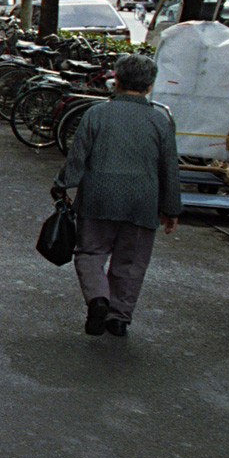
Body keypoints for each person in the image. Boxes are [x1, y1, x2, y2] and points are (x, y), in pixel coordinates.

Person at [52, 53, 181, 337]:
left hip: (99, 196)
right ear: (149, 86)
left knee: (90, 252)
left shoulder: (96, 114)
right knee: (131, 261)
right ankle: (119, 317)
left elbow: (78, 156)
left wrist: (62, 184)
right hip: (143, 200)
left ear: (117, 82)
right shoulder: (160, 121)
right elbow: (169, 168)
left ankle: (98, 298)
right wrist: (171, 208)